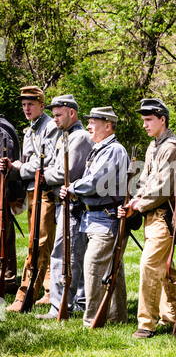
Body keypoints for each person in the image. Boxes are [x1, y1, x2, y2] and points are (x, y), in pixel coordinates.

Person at [60, 106, 129, 327]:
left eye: (93, 122)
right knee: (112, 269)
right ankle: (117, 318)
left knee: (93, 267)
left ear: (107, 125)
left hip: (106, 219)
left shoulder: (113, 150)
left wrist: (71, 187)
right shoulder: (100, 148)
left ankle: (91, 321)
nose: (88, 125)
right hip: (96, 219)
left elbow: (96, 182)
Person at [118, 98, 176, 338]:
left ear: (162, 119)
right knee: (165, 267)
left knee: (149, 265)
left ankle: (146, 324)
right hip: (151, 215)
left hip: (163, 215)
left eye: (148, 120)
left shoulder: (170, 146)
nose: (144, 125)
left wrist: (138, 204)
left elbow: (164, 187)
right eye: (143, 120)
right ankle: (173, 316)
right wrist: (134, 199)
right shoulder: (154, 146)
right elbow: (144, 181)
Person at [36, 94, 93, 320]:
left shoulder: (78, 137)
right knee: (74, 256)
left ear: (72, 113)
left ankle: (58, 306)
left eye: (58, 115)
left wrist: (42, 175)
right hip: (67, 205)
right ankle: (77, 302)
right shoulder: (67, 136)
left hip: (72, 206)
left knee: (62, 256)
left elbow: (66, 173)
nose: (55, 119)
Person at [3, 86, 59, 311]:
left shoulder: (50, 127)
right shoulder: (30, 130)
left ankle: (24, 295)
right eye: (24, 104)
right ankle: (48, 290)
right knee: (39, 241)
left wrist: (18, 168)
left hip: (45, 189)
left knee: (39, 242)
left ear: (41, 105)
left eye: (31, 104)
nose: (26, 108)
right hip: (32, 188)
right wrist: (15, 166)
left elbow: (43, 162)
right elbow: (28, 160)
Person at [0, 114, 23, 294]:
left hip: (2, 195)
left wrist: (10, 196)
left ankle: (7, 281)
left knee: (4, 239)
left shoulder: (3, 131)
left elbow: (8, 169)